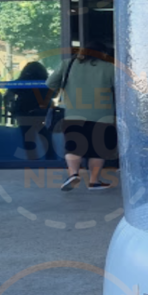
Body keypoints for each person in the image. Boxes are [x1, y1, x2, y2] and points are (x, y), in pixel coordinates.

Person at [47, 41, 117, 191]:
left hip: (73, 114)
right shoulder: (110, 67)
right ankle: (94, 181)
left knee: (73, 147)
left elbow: (50, 83)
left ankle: (73, 174)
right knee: (98, 150)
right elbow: (119, 88)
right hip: (102, 116)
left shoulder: (68, 64)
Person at [9, 61, 55, 161]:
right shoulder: (46, 82)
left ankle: (32, 161)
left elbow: (10, 92)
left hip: (24, 113)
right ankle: (51, 159)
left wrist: (12, 107)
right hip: (41, 113)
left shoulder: (22, 81)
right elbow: (54, 94)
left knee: (28, 139)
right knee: (46, 137)